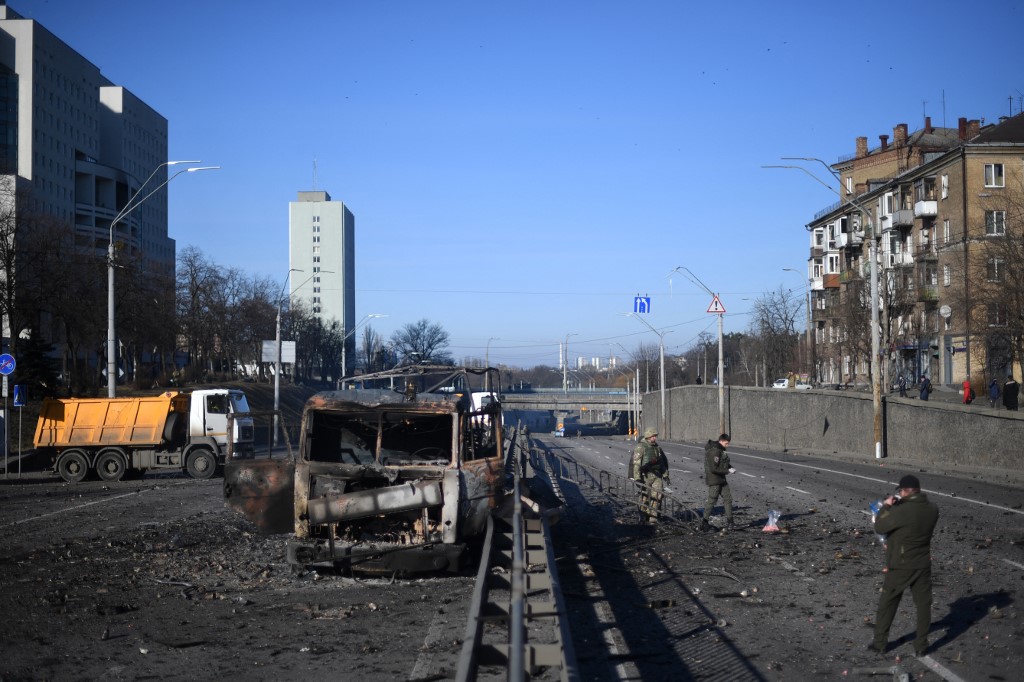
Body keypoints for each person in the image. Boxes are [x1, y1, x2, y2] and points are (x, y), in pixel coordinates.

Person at [869, 474, 939, 657]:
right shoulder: (933, 509)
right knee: (923, 605)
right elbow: (911, 527)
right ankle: (921, 646)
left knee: (888, 603)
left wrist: (887, 505)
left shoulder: (900, 511)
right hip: (922, 563)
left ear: (904, 491)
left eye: (900, 491)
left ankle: (880, 643)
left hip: (901, 564)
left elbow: (880, 527)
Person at [629, 427, 669, 523]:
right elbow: (636, 464)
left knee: (658, 496)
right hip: (645, 476)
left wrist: (665, 475)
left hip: (657, 475)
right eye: (653, 436)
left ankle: (653, 518)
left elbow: (661, 463)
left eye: (655, 436)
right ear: (648, 436)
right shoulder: (641, 447)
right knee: (645, 497)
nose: (654, 438)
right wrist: (637, 478)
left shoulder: (657, 448)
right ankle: (643, 515)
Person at [700, 433, 734, 532]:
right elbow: (714, 468)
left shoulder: (720, 451)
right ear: (721, 441)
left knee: (728, 499)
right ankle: (704, 522)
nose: (727, 445)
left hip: (721, 479)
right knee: (712, 500)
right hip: (714, 480)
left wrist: (730, 467)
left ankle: (730, 522)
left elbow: (723, 463)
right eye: (726, 443)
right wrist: (728, 471)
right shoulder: (714, 452)